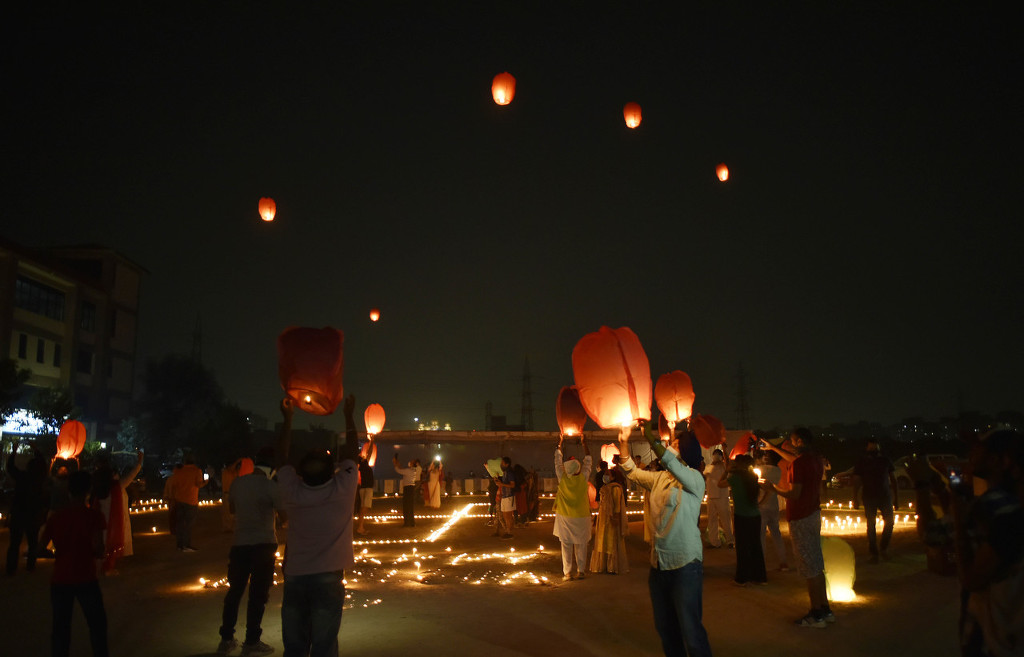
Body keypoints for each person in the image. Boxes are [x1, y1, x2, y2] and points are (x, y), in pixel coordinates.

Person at [618, 422, 713, 657]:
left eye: (676, 445)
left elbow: (670, 460)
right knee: (666, 630)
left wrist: (649, 435)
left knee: (691, 632)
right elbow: (631, 470)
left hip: (685, 565)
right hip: (659, 564)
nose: (670, 447)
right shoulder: (660, 478)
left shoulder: (694, 480)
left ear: (687, 454)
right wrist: (623, 442)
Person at [277, 394, 360, 657]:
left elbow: (281, 459)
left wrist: (288, 420)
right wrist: (348, 415)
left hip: (295, 576)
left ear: (300, 473)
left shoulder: (292, 491)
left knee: (294, 646)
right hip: (328, 578)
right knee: (324, 646)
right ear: (332, 470)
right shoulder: (342, 489)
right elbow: (351, 452)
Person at [952, 429, 1024, 656]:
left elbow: (972, 579)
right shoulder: (996, 508)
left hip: (995, 640)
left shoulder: (1002, 514)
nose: (971, 455)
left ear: (1002, 461)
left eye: (978, 449)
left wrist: (958, 525)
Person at [762, 428, 834, 627]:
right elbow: (794, 458)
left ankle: (816, 614)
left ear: (799, 441)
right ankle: (825, 609)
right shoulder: (815, 460)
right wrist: (773, 448)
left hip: (801, 517)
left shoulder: (799, 464)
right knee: (816, 564)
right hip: (813, 514)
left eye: (791, 442)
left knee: (808, 566)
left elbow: (794, 494)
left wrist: (772, 488)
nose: (789, 445)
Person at [217, 447, 284, 656]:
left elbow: (233, 510)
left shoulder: (238, 483)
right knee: (257, 595)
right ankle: (251, 641)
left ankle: (226, 639)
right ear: (272, 469)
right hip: (264, 544)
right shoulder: (270, 486)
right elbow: (284, 515)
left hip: (239, 544)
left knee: (234, 592)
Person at [40, 470, 109, 657]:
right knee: (97, 625)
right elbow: (99, 549)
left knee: (61, 628)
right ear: (88, 490)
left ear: (69, 491)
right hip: (86, 577)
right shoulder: (94, 517)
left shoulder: (57, 517)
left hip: (61, 578)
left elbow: (41, 546)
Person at [91, 450, 144, 575]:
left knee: (103, 543)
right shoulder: (117, 487)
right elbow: (132, 474)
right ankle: (107, 567)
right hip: (114, 522)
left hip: (103, 521)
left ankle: (102, 566)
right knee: (111, 544)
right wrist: (140, 461)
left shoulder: (99, 489)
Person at [718, 454, 766, 586]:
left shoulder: (735, 478)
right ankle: (759, 576)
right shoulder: (754, 476)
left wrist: (726, 471)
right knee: (756, 545)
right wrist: (761, 502)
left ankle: (743, 577)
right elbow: (768, 490)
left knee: (742, 547)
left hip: (741, 516)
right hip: (755, 516)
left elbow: (719, 484)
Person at [852, 438, 898, 563]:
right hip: (869, 496)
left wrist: (896, 498)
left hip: (885, 496)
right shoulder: (862, 461)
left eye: (875, 448)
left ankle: (883, 547)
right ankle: (874, 553)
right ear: (866, 448)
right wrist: (855, 498)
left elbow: (893, 479)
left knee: (890, 522)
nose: (873, 450)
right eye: (870, 448)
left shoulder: (885, 460)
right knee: (871, 525)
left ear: (879, 448)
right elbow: (856, 480)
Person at [553, 434, 592, 580]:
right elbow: (588, 459)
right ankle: (581, 571)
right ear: (578, 469)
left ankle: (567, 573)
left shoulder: (562, 478)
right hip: (582, 517)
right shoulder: (583, 478)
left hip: (565, 517)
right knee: (581, 545)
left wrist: (560, 442)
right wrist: (584, 443)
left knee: (566, 546)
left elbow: (557, 461)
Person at [5, 440, 47, 575]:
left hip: (19, 513)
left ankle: (11, 568)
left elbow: (10, 467)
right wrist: (35, 449)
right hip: (33, 513)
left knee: (14, 543)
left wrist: (14, 451)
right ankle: (30, 566)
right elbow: (43, 463)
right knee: (33, 541)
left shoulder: (22, 477)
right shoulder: (39, 479)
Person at [589, 466, 629, 574]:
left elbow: (617, 505)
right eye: (605, 474)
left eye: (608, 475)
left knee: (611, 540)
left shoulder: (615, 488)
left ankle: (612, 566)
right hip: (603, 517)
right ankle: (603, 565)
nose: (605, 476)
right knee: (602, 539)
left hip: (611, 517)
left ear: (613, 477)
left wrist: (615, 517)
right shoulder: (605, 487)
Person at [756, 451, 789, 571]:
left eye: (766, 455)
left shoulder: (759, 469)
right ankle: (783, 562)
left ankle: (761, 563)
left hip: (761, 506)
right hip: (774, 505)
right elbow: (772, 489)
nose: (764, 457)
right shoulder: (778, 470)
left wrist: (760, 503)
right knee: (776, 534)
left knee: (761, 536)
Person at [168, 453, 207, 551]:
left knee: (180, 523)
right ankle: (187, 545)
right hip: (191, 501)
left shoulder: (178, 471)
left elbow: (174, 485)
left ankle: (179, 545)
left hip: (179, 500)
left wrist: (172, 498)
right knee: (188, 524)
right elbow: (198, 484)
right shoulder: (196, 471)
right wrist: (205, 482)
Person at [703, 449, 734, 549]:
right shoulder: (708, 466)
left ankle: (730, 541)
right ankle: (714, 542)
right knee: (712, 521)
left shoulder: (724, 467)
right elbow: (705, 474)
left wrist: (725, 451)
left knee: (726, 520)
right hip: (711, 497)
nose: (716, 456)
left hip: (722, 497)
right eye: (714, 454)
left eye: (718, 455)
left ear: (721, 456)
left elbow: (728, 463)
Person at [393, 453, 421, 528]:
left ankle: (407, 522)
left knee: (406, 506)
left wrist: (395, 464)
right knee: (410, 506)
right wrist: (397, 463)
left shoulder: (409, 470)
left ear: (412, 464)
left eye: (411, 462)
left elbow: (399, 470)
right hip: (411, 488)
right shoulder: (412, 470)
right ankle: (411, 522)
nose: (409, 462)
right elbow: (402, 469)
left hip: (408, 488)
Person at [493, 456, 516, 539]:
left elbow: (512, 485)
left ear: (507, 464)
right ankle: (508, 532)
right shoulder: (505, 472)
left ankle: (509, 533)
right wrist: (499, 482)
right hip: (505, 496)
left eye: (502, 463)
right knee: (505, 515)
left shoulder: (509, 473)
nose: (501, 465)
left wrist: (502, 484)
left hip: (509, 496)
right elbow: (504, 483)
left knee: (508, 516)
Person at [355, 452, 374, 536]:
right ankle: (360, 528)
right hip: (367, 489)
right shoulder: (363, 465)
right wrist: (372, 441)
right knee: (364, 508)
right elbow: (369, 453)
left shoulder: (361, 467)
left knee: (363, 508)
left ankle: (361, 527)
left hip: (363, 488)